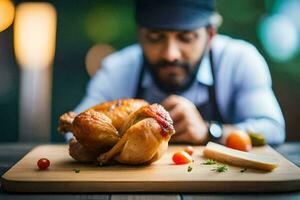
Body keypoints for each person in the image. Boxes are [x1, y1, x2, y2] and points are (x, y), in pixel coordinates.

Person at [66, 0, 285, 145]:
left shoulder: (239, 60)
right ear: (140, 35)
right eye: (155, 37)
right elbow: (73, 130)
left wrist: (209, 132)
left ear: (210, 36)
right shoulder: (117, 68)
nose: (171, 54)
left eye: (186, 37)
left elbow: (273, 128)